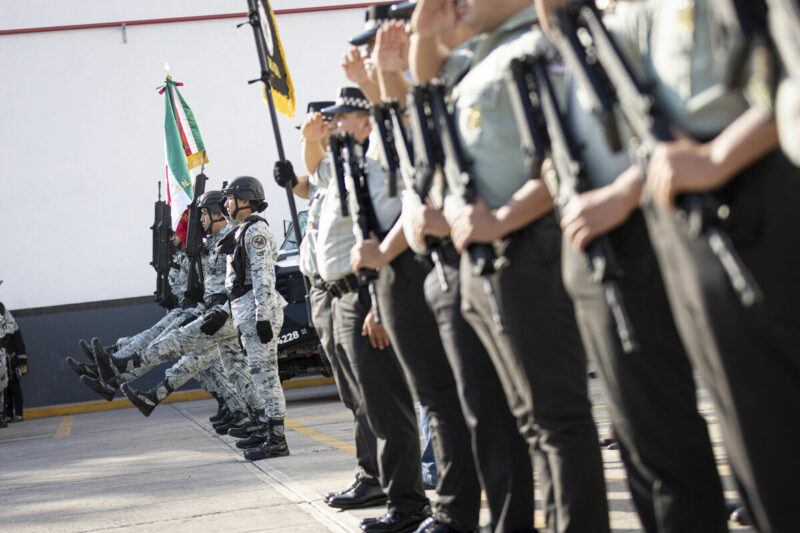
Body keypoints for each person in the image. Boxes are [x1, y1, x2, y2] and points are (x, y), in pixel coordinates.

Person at [413, 0, 610, 530]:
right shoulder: (481, 56)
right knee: (531, 421)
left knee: (557, 419)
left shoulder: (534, 47)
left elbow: (567, 156)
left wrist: (500, 219)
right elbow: (421, 71)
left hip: (530, 250)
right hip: (489, 259)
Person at [313, 86, 431, 532]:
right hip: (345, 293)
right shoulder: (351, 167)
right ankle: (397, 497)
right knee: (373, 404)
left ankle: (409, 504)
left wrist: (378, 305)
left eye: (343, 118)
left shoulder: (379, 168)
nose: (335, 125)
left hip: (369, 293)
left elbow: (385, 238)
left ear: (366, 123)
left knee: (388, 403)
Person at [283, 101, 386, 510]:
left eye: (327, 122)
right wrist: (297, 170)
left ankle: (384, 477)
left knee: (370, 390)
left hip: (351, 287)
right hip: (321, 288)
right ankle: (372, 472)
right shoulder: (329, 171)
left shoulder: (357, 167)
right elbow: (312, 178)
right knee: (349, 389)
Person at [221, 176, 290, 461]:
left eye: (230, 198)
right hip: (246, 310)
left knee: (266, 377)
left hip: (258, 310)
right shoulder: (242, 230)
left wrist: (262, 315)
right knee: (259, 375)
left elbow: (264, 274)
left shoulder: (255, 232)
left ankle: (277, 440)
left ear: (245, 200)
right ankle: (266, 431)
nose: (226, 204)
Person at [0, 287, 27, 425]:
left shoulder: (10, 322)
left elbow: (18, 340)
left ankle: (19, 413)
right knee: (3, 390)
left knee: (13, 387)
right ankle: (6, 415)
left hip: (10, 361)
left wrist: (22, 361)